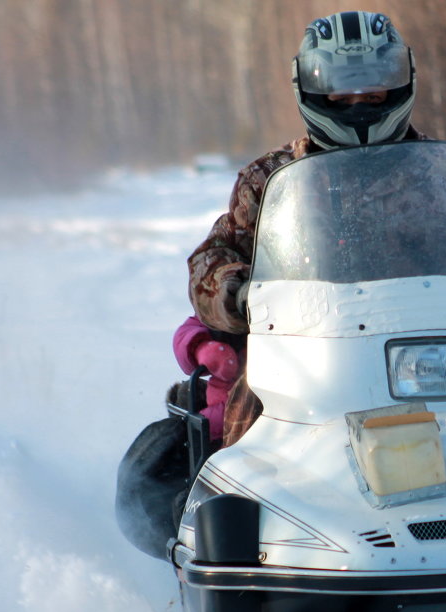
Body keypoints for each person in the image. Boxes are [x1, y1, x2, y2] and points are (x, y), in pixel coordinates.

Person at [175, 10, 424, 448]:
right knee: (253, 413)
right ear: (309, 86)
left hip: (430, 348)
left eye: (374, 80)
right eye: (340, 85)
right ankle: (242, 501)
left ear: (402, 78)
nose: (359, 98)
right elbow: (211, 259)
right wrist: (240, 291)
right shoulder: (269, 178)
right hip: (303, 353)